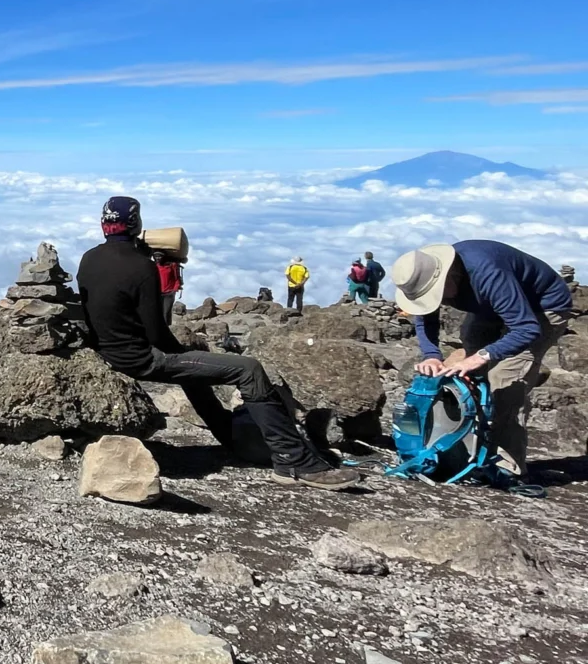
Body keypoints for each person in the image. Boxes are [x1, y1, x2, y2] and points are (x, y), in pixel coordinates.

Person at [76, 196, 358, 490]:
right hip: (140, 359)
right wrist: (187, 355)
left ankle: (230, 436)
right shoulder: (141, 267)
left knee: (192, 370)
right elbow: (156, 333)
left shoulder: (89, 258)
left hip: (108, 351)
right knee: (248, 369)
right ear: (136, 223)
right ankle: (294, 461)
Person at [392, 240, 575, 478]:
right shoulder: (429, 272)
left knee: (505, 378)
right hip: (492, 306)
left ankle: (508, 466)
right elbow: (425, 316)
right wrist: (432, 355)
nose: (438, 301)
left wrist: (481, 356)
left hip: (543, 309)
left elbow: (526, 329)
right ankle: (467, 442)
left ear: (450, 276)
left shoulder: (489, 274)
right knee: (469, 345)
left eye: (435, 294)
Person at [152, 250, 183, 326]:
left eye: (159, 256)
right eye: (156, 257)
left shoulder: (172, 265)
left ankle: (166, 330)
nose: (158, 258)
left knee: (166, 312)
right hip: (157, 293)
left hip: (169, 293)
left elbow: (177, 278)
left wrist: (175, 289)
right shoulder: (153, 265)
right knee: (158, 312)